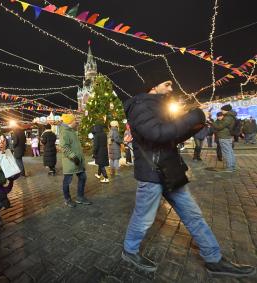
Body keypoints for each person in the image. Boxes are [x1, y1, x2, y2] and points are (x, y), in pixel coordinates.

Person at [121, 74, 255, 277]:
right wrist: (194, 116)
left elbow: (173, 136)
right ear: (153, 86)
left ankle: (214, 258)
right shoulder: (140, 106)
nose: (170, 87)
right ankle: (129, 250)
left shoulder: (159, 107)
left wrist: (197, 123)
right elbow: (158, 134)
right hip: (152, 174)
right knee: (143, 219)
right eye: (167, 83)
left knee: (193, 216)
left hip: (171, 170)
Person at [60, 113, 91, 208]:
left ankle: (80, 197)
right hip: (71, 161)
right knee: (67, 181)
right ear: (70, 122)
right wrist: (73, 157)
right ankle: (67, 199)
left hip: (78, 161)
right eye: (74, 121)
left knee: (83, 177)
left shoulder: (72, 131)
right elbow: (64, 147)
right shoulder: (64, 132)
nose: (76, 122)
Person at [213, 104, 236, 172]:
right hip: (227, 136)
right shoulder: (230, 116)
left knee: (227, 152)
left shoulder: (228, 117)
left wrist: (212, 123)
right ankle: (232, 166)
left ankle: (230, 167)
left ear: (226, 110)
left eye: (222, 110)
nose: (221, 111)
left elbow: (220, 126)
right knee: (230, 151)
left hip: (224, 136)